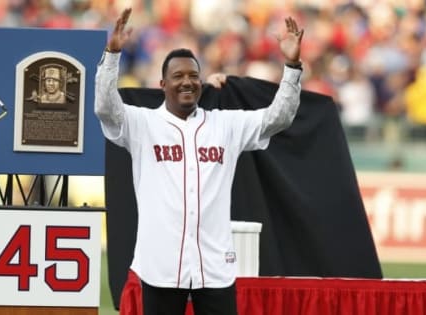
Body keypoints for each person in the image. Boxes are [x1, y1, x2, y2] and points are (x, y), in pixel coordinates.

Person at [95, 7, 303, 315]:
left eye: (193, 75)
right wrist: (112, 55)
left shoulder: (224, 125)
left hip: (214, 266)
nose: (187, 82)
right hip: (160, 266)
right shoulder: (143, 124)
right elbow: (105, 108)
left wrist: (292, 66)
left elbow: (278, 118)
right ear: (163, 85)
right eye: (177, 76)